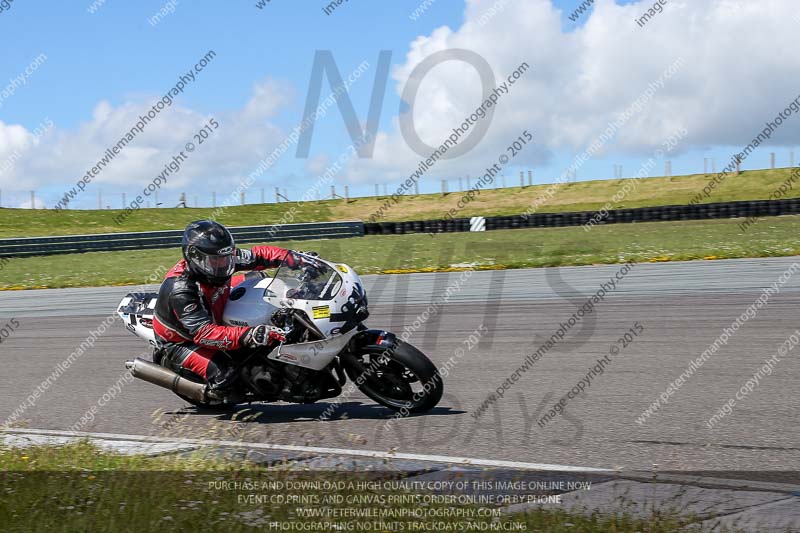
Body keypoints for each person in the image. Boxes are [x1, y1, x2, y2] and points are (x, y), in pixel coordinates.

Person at [153, 219, 293, 391]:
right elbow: (204, 334)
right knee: (226, 376)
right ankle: (205, 390)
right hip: (184, 340)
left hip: (215, 304)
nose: (224, 264)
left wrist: (293, 258)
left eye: (226, 258)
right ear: (195, 257)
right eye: (216, 260)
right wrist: (249, 335)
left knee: (261, 278)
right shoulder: (181, 290)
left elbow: (259, 255)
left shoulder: (223, 257)